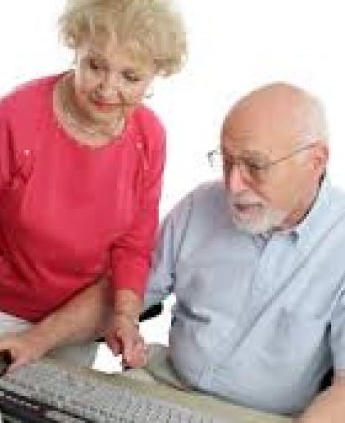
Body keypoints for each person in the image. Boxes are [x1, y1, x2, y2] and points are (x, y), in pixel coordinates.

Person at [0, 0, 186, 371]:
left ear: (155, 75)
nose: (108, 89)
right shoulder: (12, 120)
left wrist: (124, 318)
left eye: (130, 76)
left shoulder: (149, 137)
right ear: (75, 48)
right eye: (95, 66)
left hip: (72, 324)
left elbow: (133, 246)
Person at [127, 83, 345, 421]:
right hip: (165, 382)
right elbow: (127, 292)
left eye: (255, 166)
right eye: (226, 161)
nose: (233, 185)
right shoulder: (201, 203)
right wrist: (42, 337)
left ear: (316, 160)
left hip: (263, 416)